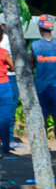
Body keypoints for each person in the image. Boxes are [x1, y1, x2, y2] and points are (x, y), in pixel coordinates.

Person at [30, 14, 56, 158]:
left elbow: (31, 63)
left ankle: (43, 150)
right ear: (52, 28)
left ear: (40, 28)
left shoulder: (35, 45)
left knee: (43, 120)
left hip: (41, 88)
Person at [0, 24, 17, 153]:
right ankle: (6, 147)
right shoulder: (4, 52)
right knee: (5, 117)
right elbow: (13, 67)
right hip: (4, 85)